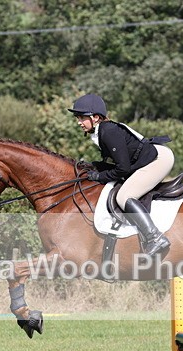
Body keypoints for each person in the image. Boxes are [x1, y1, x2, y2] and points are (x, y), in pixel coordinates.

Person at [68, 93, 174, 256]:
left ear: (95, 117)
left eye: (82, 118)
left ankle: (155, 237)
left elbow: (122, 169)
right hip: (147, 160)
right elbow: (117, 163)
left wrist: (99, 177)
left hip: (159, 159)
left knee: (124, 197)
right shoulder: (102, 131)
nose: (79, 122)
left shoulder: (108, 131)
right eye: (78, 118)